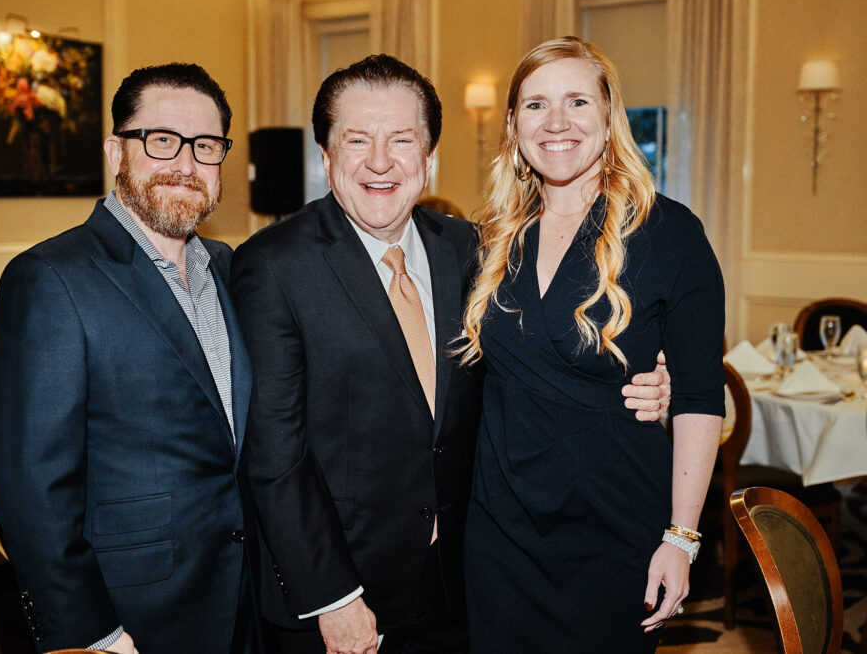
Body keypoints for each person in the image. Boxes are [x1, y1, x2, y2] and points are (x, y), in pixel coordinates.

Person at [230, 54, 671, 654]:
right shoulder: (274, 264)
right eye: (357, 140)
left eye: (402, 140)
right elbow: (274, 454)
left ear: (429, 157)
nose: (380, 162)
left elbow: (537, 367)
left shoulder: (473, 250)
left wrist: (652, 381)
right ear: (326, 157)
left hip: (467, 583)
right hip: (342, 595)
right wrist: (332, 597)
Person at [459, 36, 725, 653]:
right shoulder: (492, 239)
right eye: (535, 105)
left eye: (577, 101)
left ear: (608, 120)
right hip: (500, 533)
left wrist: (681, 539)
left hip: (615, 530)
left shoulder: (669, 232)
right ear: (512, 124)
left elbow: (698, 398)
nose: (557, 123)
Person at [0, 63, 261, 654]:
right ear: (117, 152)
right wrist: (90, 633)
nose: (186, 165)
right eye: (161, 141)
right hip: (129, 618)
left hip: (241, 602)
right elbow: (31, 489)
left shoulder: (231, 268)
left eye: (206, 147)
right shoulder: (49, 278)